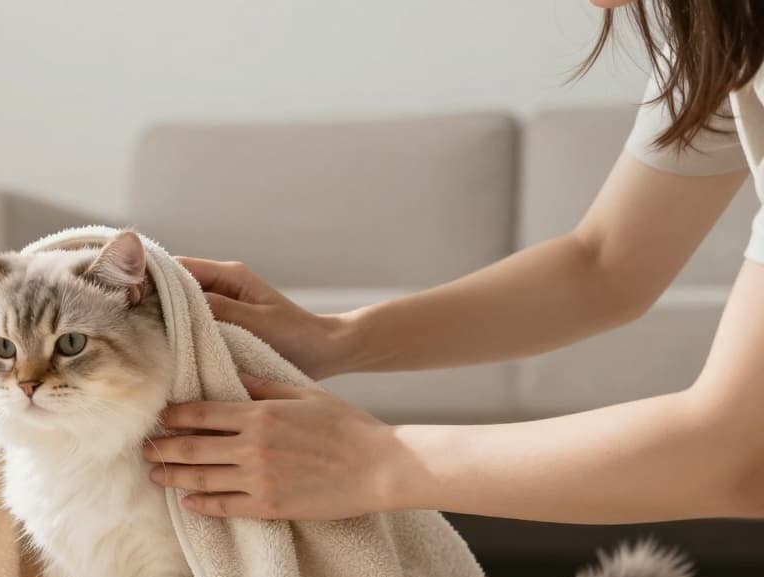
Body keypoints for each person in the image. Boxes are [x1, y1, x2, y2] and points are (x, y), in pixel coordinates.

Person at [144, 0, 764, 525]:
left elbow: (739, 457)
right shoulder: (719, 30)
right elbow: (603, 265)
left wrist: (376, 461)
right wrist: (334, 338)